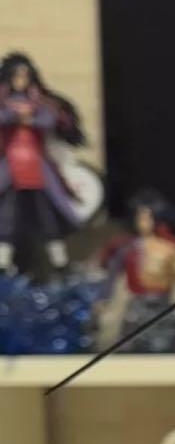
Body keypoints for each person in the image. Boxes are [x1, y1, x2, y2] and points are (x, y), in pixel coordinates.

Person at [0, 52, 87, 276]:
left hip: (36, 166)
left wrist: (30, 118)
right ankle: (3, 263)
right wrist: (14, 114)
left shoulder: (40, 101)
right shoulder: (3, 100)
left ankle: (60, 262)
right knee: (7, 215)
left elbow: (50, 119)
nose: (21, 80)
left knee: (46, 215)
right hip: (10, 165)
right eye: (16, 76)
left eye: (24, 75)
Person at [98, 189, 175, 353]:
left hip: (163, 308)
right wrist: (103, 300)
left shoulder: (169, 249)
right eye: (140, 218)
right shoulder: (127, 248)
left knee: (166, 349)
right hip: (136, 310)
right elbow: (111, 279)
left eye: (147, 218)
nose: (143, 222)